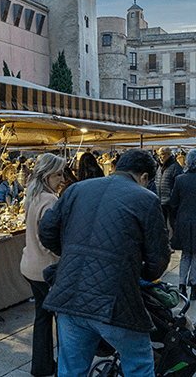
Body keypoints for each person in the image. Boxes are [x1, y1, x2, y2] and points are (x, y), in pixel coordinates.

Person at [39, 149, 170, 376]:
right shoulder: (146, 198)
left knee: (71, 369)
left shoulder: (77, 189)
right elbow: (158, 258)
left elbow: (47, 229)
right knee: (139, 362)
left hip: (69, 295)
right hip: (115, 300)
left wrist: (72, 254)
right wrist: (143, 275)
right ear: (144, 177)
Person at [19, 154, 66, 377]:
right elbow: (49, 238)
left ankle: (41, 365)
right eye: (58, 174)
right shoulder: (49, 200)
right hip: (45, 269)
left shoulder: (34, 196)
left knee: (42, 317)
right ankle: (61, 366)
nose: (62, 178)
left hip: (30, 266)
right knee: (62, 320)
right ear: (47, 175)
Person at [170, 150, 196, 300]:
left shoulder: (180, 179)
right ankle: (194, 287)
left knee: (185, 256)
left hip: (184, 222)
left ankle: (181, 286)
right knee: (195, 256)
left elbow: (173, 204)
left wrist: (177, 219)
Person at [156, 146, 183, 230]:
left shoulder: (175, 167)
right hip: (160, 201)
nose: (160, 157)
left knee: (173, 224)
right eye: (159, 155)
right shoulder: (160, 167)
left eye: (162, 155)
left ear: (168, 154)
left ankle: (175, 240)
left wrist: (174, 198)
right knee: (162, 224)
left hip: (171, 202)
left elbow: (178, 185)